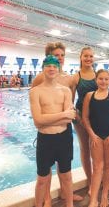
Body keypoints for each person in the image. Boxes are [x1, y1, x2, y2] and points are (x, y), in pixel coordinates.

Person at [32, 42, 82, 204]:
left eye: (56, 63)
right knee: (42, 178)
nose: (52, 67)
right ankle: (44, 200)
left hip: (64, 137)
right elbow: (38, 121)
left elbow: (70, 116)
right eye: (48, 65)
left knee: (66, 175)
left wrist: (63, 115)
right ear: (43, 67)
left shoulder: (66, 87)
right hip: (45, 139)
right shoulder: (36, 88)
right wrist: (63, 114)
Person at [82, 69, 109, 207]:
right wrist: (92, 135)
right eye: (100, 78)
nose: (103, 81)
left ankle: (105, 195)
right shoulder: (89, 96)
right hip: (95, 136)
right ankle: (94, 199)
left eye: (106, 79)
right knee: (97, 166)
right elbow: (85, 117)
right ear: (96, 80)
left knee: (107, 165)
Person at [71, 47, 97, 195]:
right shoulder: (76, 77)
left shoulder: (98, 75)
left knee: (97, 149)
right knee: (85, 149)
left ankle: (99, 177)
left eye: (91, 56)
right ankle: (90, 180)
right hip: (81, 117)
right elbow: (71, 100)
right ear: (80, 57)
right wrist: (77, 117)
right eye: (86, 56)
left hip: (96, 117)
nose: (88, 58)